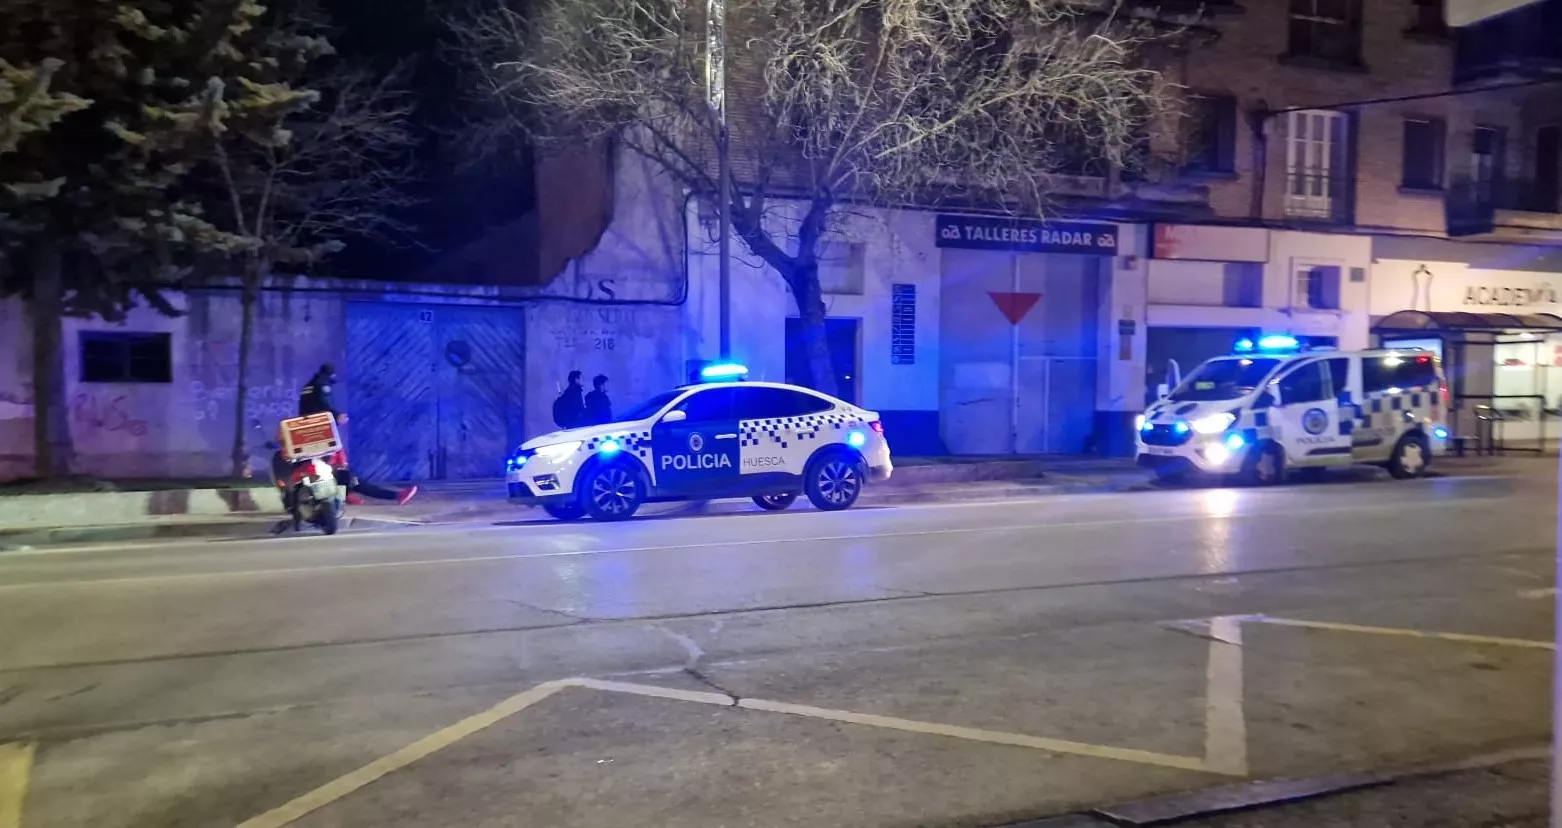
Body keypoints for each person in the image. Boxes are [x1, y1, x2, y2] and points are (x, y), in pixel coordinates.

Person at [287, 363, 417, 506]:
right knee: (349, 476)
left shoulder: (308, 387)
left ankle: (346, 494)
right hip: (321, 442)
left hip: (309, 441)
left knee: (341, 472)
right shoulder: (322, 385)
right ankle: (395, 496)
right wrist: (337, 416)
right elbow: (324, 403)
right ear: (331, 375)